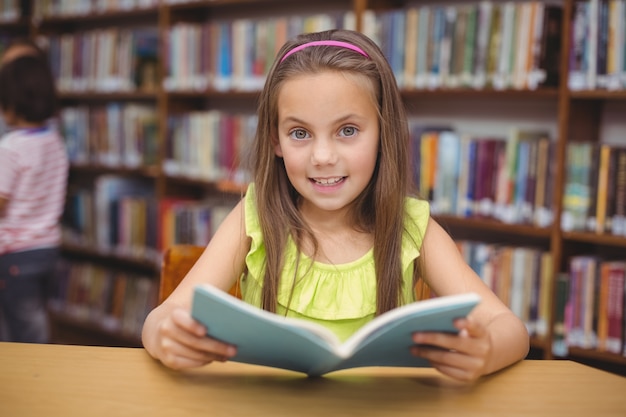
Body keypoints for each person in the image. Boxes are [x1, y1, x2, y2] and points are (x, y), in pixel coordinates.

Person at [142, 29, 529, 381]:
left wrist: (487, 349)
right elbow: (160, 318)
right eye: (299, 133)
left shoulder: (413, 225)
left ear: (383, 133)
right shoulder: (254, 215)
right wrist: (165, 337)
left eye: (347, 130)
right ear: (275, 140)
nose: (323, 156)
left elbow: (510, 328)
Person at [0, 39, 69, 343]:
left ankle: (31, 380)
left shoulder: (11, 148)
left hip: (14, 254)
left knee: (22, 328)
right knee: (36, 316)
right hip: (47, 249)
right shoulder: (54, 141)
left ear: (11, 106)